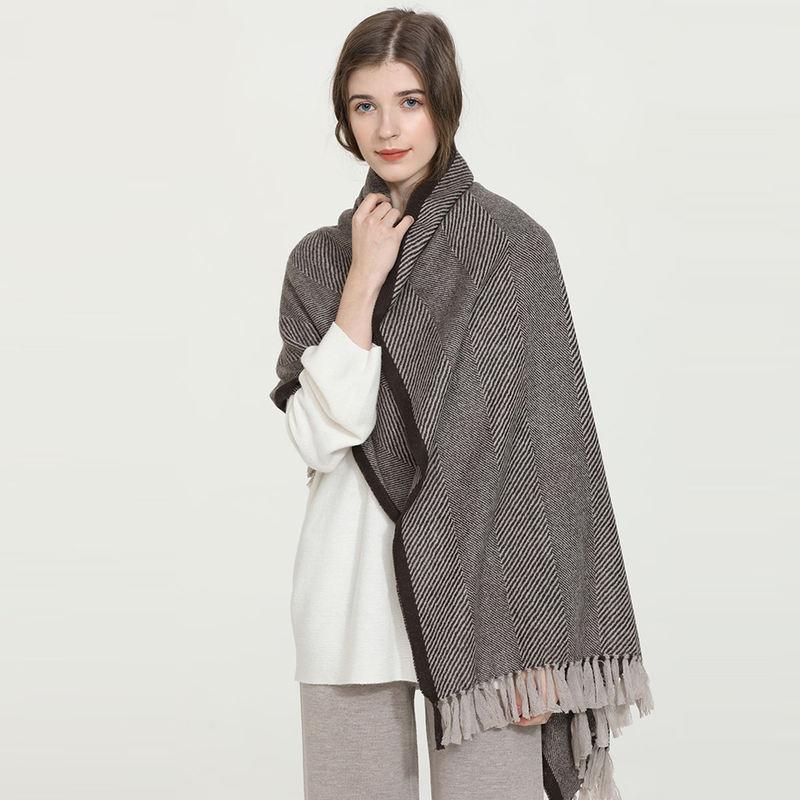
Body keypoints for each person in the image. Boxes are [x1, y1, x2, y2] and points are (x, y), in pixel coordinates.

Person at [270, 8, 654, 800]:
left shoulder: (511, 248)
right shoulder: (321, 261)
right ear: (345, 118)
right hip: (349, 613)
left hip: (494, 620)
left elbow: (548, 460)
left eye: (408, 101)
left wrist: (546, 643)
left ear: (443, 103)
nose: (387, 128)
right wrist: (362, 280)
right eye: (365, 105)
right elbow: (318, 437)